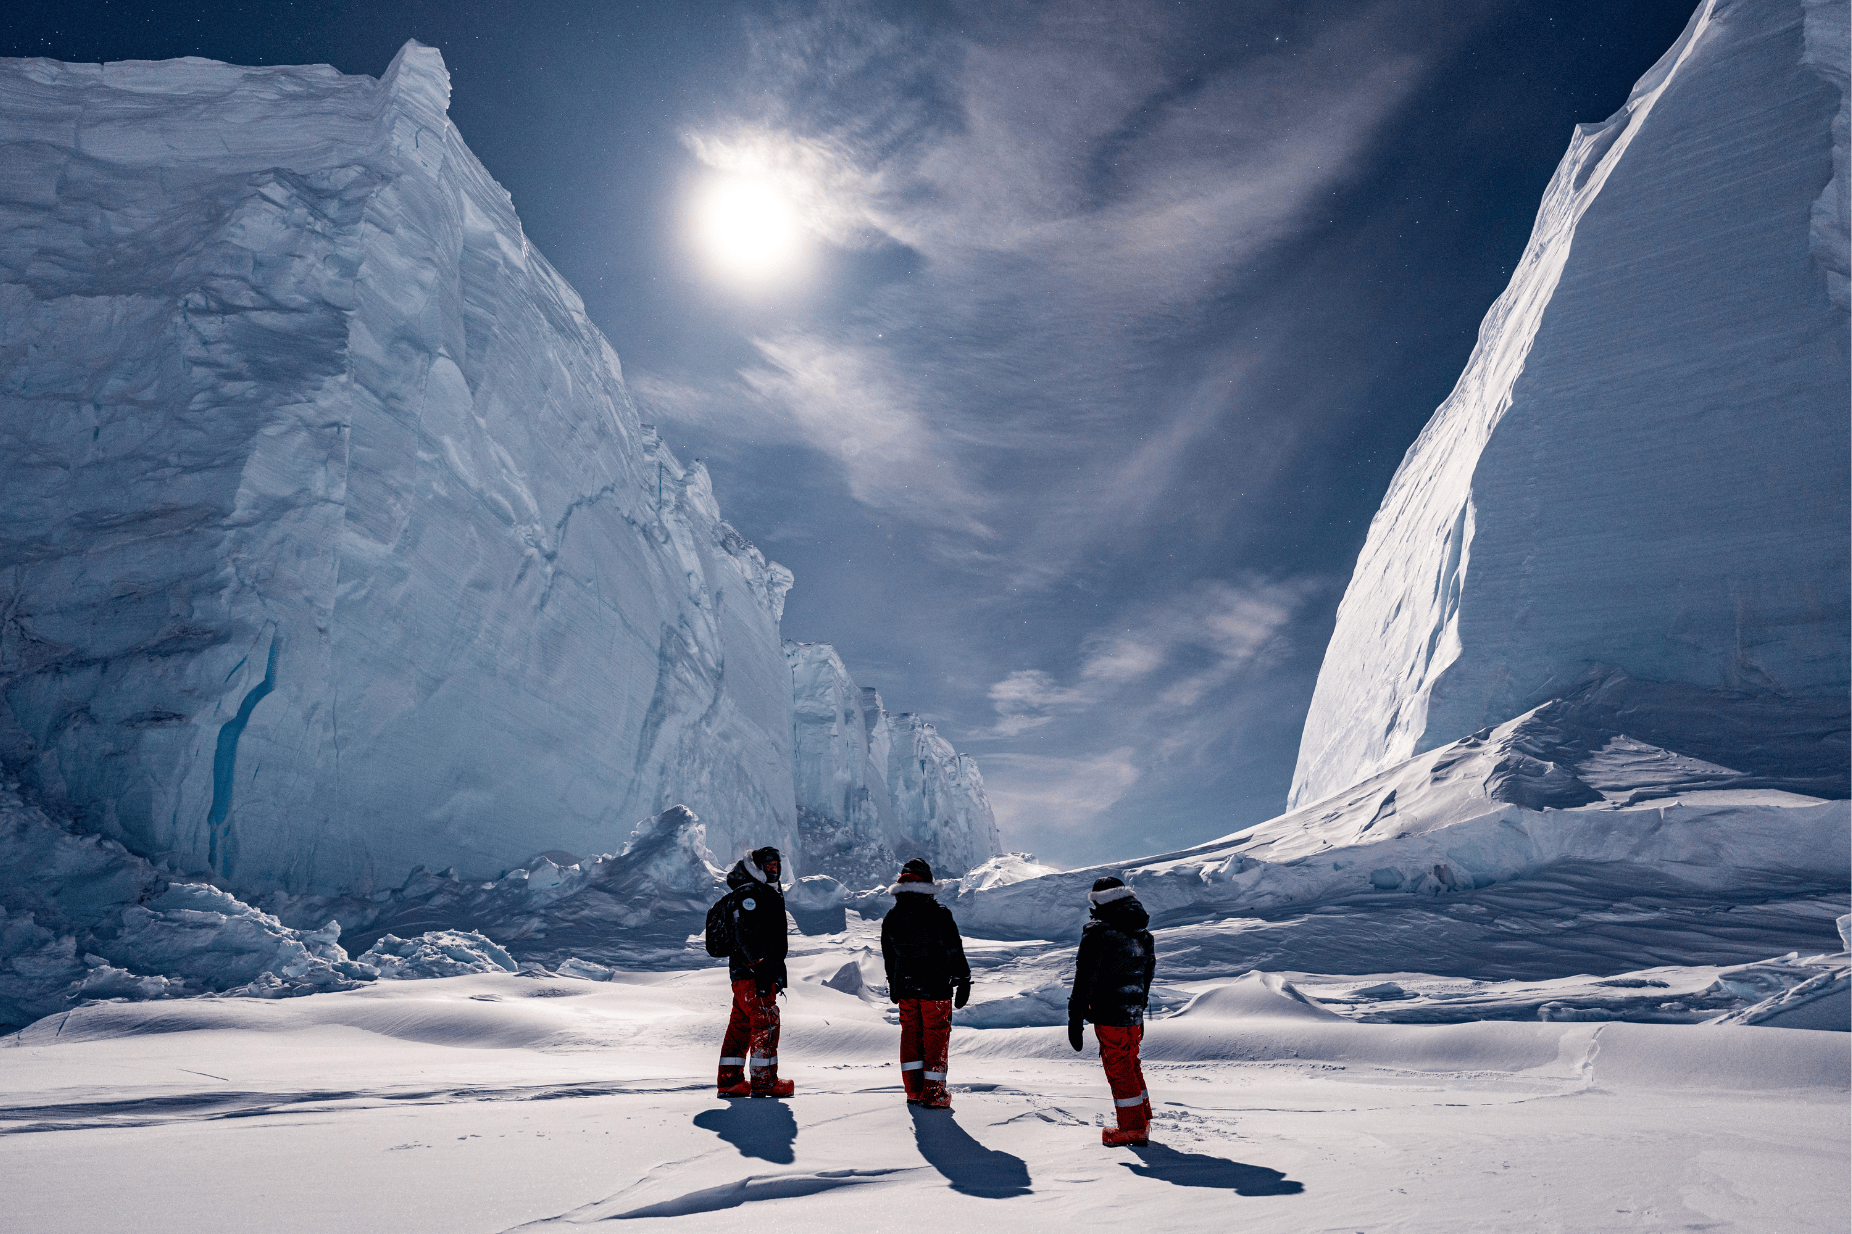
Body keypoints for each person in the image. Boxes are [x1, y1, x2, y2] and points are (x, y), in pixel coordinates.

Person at [1067, 875, 1156, 1146]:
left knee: (1118, 1066)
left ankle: (1132, 1128)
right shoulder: (1142, 934)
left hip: (1110, 1014)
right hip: (1133, 1014)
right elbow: (1147, 975)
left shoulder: (1098, 933)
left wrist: (1075, 1015)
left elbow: (1086, 977)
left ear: (1099, 901)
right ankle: (1142, 1117)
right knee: (1131, 1062)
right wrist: (1137, 1008)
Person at [880, 857, 972, 1109]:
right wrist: (963, 979)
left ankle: (913, 1090)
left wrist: (895, 985)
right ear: (928, 883)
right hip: (935, 988)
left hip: (906, 988)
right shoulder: (938, 913)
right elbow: (954, 949)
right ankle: (933, 1093)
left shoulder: (892, 915)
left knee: (910, 1034)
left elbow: (890, 957)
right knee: (935, 1035)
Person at [714, 846, 793, 1098]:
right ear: (756, 867)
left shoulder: (759, 891)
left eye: (776, 865)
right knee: (766, 1021)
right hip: (753, 974)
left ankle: (730, 1080)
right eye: (768, 865)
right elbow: (744, 931)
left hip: (745, 974)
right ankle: (765, 1081)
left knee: (741, 1024)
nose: (773, 869)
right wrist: (760, 965)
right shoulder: (750, 894)